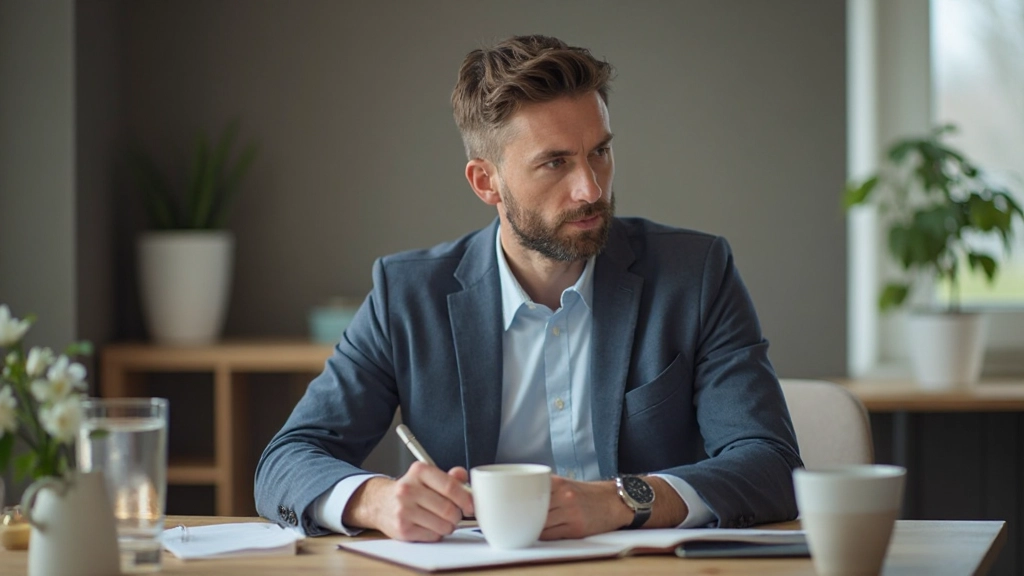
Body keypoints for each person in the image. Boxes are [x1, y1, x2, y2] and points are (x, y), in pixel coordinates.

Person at [255, 34, 802, 542]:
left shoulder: (695, 274)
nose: (591, 187)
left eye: (600, 152)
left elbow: (771, 463)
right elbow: (287, 459)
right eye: (555, 163)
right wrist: (374, 501)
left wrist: (621, 500)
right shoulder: (407, 296)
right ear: (485, 181)